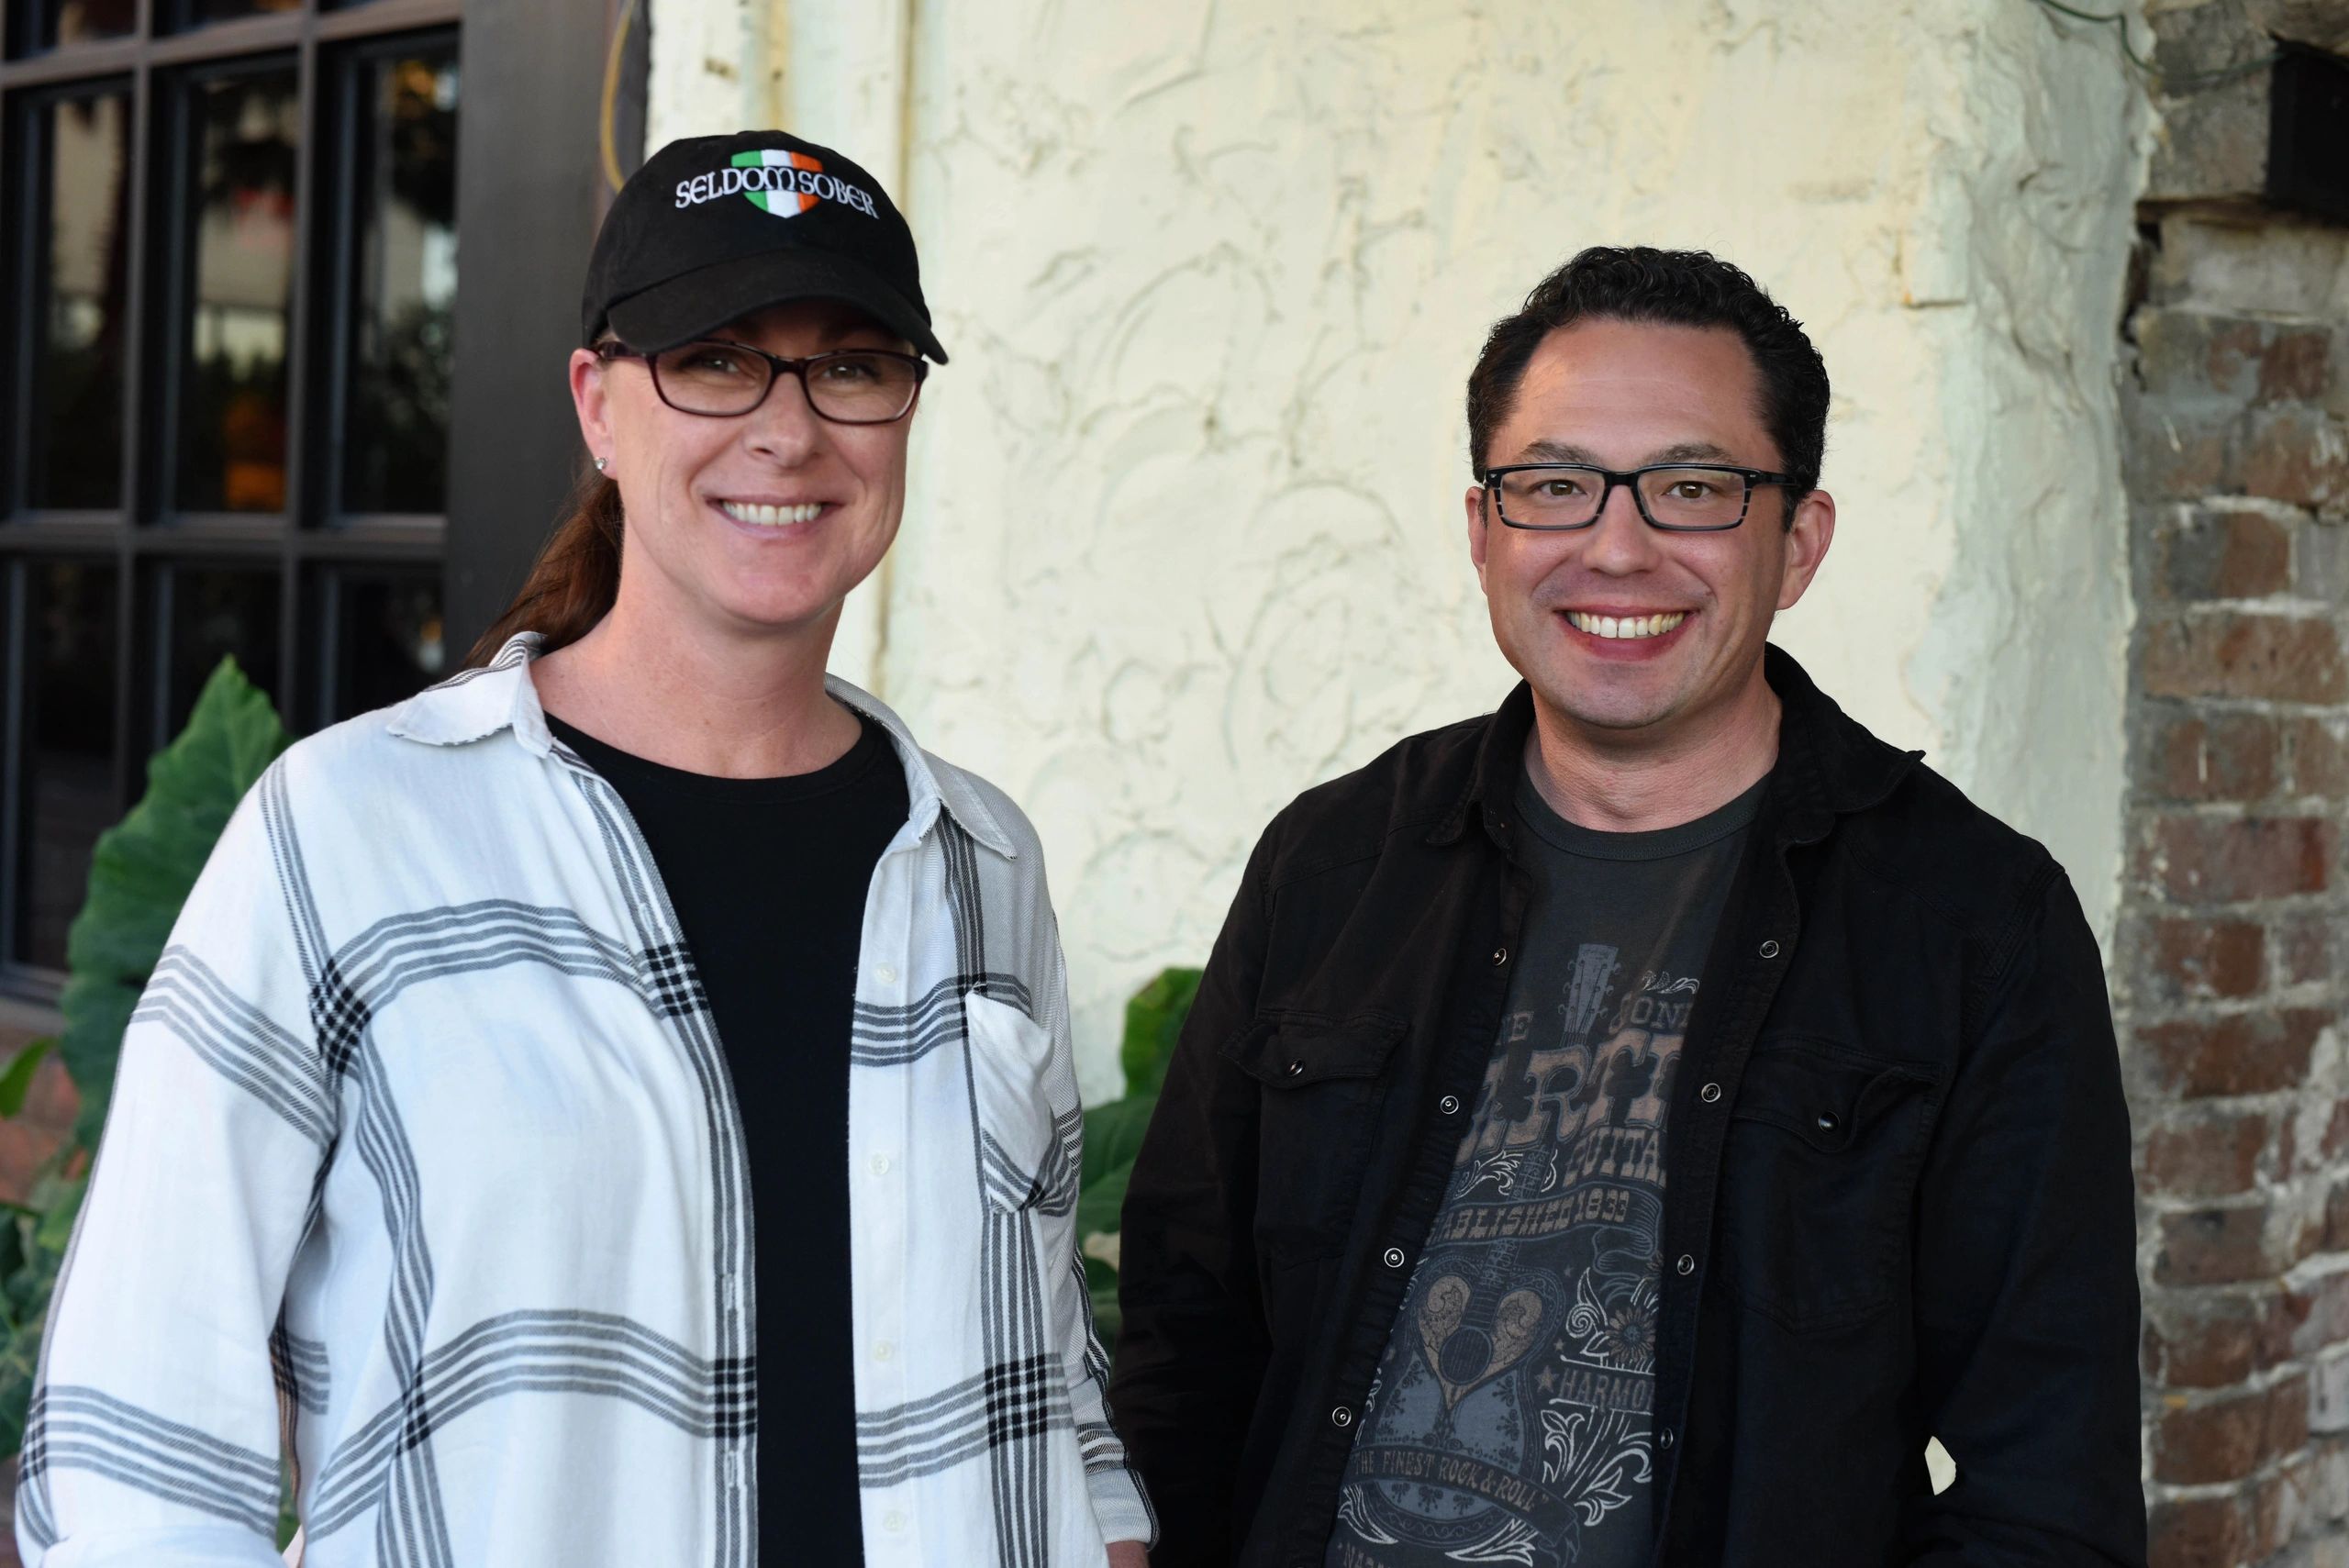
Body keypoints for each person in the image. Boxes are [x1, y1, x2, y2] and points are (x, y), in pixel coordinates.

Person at [21, 130, 1152, 1568]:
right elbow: (138, 1437)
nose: (789, 428)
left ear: (906, 413)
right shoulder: (349, 834)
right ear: (599, 406)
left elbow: (1054, 1381)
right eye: (718, 358)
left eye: (852, 364)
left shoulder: (980, 859)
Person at [1108, 247, 2143, 1568]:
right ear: (1484, 532)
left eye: (1694, 488)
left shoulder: (1972, 924)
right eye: (1553, 485)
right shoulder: (1334, 864)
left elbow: (2045, 1486)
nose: (1616, 544)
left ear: (1800, 540)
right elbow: (1180, 1351)